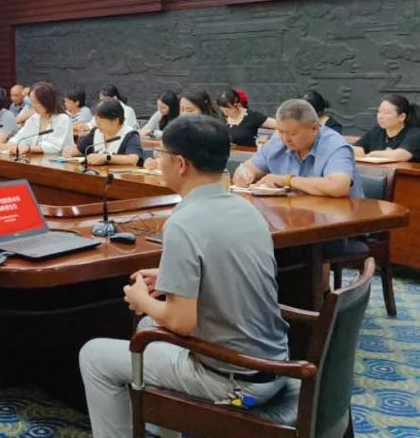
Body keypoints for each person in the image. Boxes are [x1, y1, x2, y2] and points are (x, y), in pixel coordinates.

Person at [79, 115, 289, 437]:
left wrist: (141, 299)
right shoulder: (247, 208)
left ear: (180, 164)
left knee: (94, 356)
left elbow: (181, 323)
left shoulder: (183, 222)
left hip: (234, 383)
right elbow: (227, 269)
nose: (157, 160)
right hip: (273, 365)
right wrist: (169, 274)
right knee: (148, 328)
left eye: (160, 154)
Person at [234, 98, 362, 197]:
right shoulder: (277, 141)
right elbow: (249, 167)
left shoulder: (334, 145)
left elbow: (338, 186)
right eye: (281, 131)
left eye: (292, 134)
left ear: (314, 129)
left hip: (340, 217)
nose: (285, 139)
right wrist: (245, 174)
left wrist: (287, 180)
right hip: (293, 214)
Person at [353, 94, 420, 164]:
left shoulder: (417, 135)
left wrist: (372, 154)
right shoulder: (376, 131)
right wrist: (356, 149)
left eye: (386, 113)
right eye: (379, 112)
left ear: (401, 117)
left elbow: (399, 156)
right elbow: (355, 147)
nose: (380, 116)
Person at [66, 99, 143, 166]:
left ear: (115, 120)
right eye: (96, 119)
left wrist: (106, 158)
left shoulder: (130, 134)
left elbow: (133, 159)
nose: (97, 124)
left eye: (101, 121)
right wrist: (69, 152)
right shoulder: (96, 132)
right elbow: (79, 150)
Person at [5, 82, 73, 157]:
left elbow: (53, 146)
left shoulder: (62, 119)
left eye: (37, 102)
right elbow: (20, 137)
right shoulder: (34, 118)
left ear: (48, 101)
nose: (33, 106)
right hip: (37, 160)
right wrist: (7, 145)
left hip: (59, 161)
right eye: (32, 102)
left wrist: (28, 148)